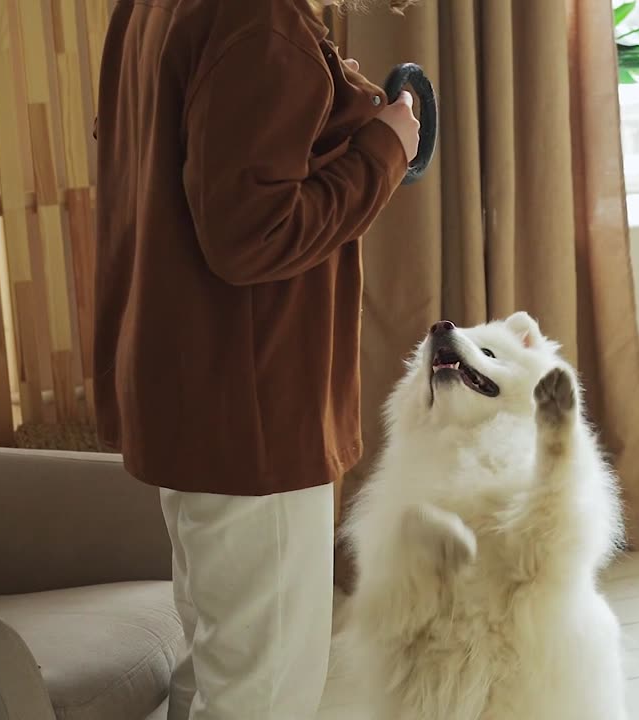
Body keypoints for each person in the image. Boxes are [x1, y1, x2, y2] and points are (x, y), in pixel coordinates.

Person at [92, 0, 419, 717]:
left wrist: (322, 102)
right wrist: (385, 148)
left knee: (218, 667)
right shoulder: (262, 21)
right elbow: (254, 237)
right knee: (262, 694)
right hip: (254, 418)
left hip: (190, 394)